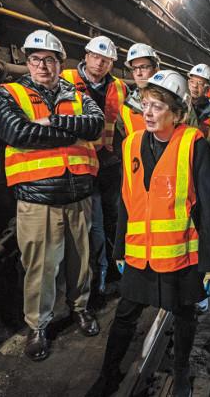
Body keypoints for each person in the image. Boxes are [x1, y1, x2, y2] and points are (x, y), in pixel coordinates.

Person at [88, 70, 210, 397]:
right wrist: (120, 250)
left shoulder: (193, 146)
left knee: (184, 314)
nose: (148, 113)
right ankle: (107, 375)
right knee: (125, 316)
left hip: (179, 254)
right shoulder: (132, 144)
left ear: (178, 114)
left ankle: (181, 376)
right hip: (140, 253)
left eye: (158, 107)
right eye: (146, 105)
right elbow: (126, 200)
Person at [0, 30, 104, 361]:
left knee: (80, 261)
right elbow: (17, 132)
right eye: (36, 59)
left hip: (78, 193)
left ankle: (80, 308)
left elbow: (95, 126)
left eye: (50, 59)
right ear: (26, 63)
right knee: (40, 267)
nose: (43, 65)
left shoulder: (78, 94)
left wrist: (53, 120)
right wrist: (70, 129)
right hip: (38, 196)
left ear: (60, 63)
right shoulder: (10, 94)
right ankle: (38, 325)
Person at [60, 36, 129, 296]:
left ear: (112, 63)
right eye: (96, 57)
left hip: (110, 163)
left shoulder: (120, 87)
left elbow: (131, 120)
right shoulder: (65, 79)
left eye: (106, 60)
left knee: (113, 217)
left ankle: (113, 270)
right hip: (79, 164)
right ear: (86, 56)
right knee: (94, 223)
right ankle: (99, 276)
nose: (100, 63)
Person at [118, 43, 158, 141]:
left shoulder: (174, 103)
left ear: (156, 69)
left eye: (144, 67)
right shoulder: (125, 109)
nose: (139, 73)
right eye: (134, 68)